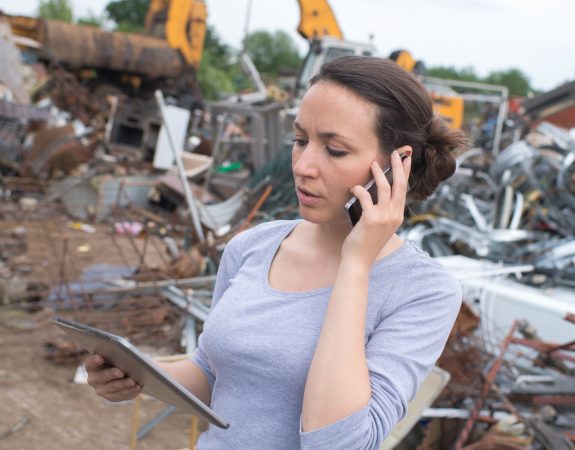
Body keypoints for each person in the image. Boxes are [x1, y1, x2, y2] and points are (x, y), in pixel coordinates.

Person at [85, 56, 469, 449]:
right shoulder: (253, 247)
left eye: (334, 150)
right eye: (300, 140)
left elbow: (339, 442)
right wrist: (138, 376)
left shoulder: (424, 292)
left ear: (397, 165)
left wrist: (355, 264)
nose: (302, 166)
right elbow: (215, 377)